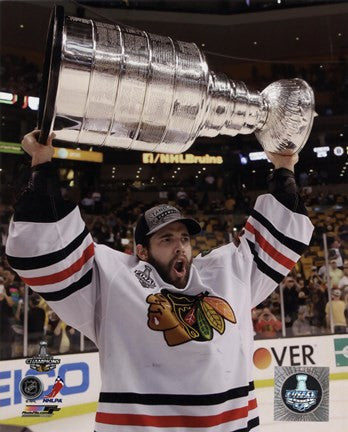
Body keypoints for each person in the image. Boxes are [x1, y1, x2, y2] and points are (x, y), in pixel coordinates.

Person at [6, 130, 314, 432]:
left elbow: (279, 230)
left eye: (184, 237)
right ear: (142, 251)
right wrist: (43, 163)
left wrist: (284, 166)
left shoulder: (228, 274)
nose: (180, 245)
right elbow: (46, 246)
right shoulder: (114, 281)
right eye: (166, 239)